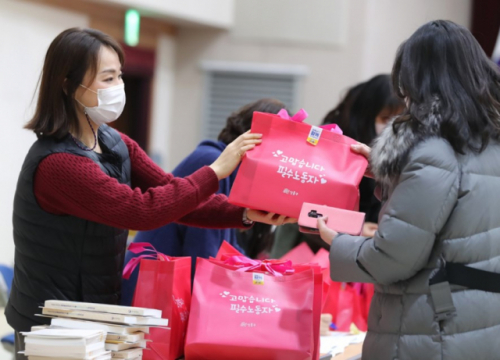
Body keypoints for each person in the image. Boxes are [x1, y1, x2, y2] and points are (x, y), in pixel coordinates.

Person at [6, 28, 292, 359]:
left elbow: (173, 196)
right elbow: (141, 211)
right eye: (107, 78)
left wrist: (242, 213)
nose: (118, 87)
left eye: (119, 77)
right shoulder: (59, 164)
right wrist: (216, 171)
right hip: (51, 323)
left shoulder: (115, 142)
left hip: (95, 312)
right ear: (69, 86)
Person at [319, 20, 500, 359]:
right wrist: (385, 167)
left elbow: (393, 259)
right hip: (479, 321)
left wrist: (339, 241)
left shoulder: (432, 151)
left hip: (432, 331)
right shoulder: (487, 141)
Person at [121, 98, 285, 305]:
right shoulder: (213, 161)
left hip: (161, 290)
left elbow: (227, 249)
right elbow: (204, 252)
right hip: (153, 294)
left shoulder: (229, 168)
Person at [270, 75, 403, 259]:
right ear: (365, 114)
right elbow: (303, 206)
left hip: (354, 255)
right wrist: (354, 227)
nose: (391, 126)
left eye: (398, 120)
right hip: (306, 253)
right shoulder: (330, 142)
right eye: (385, 118)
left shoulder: (392, 150)